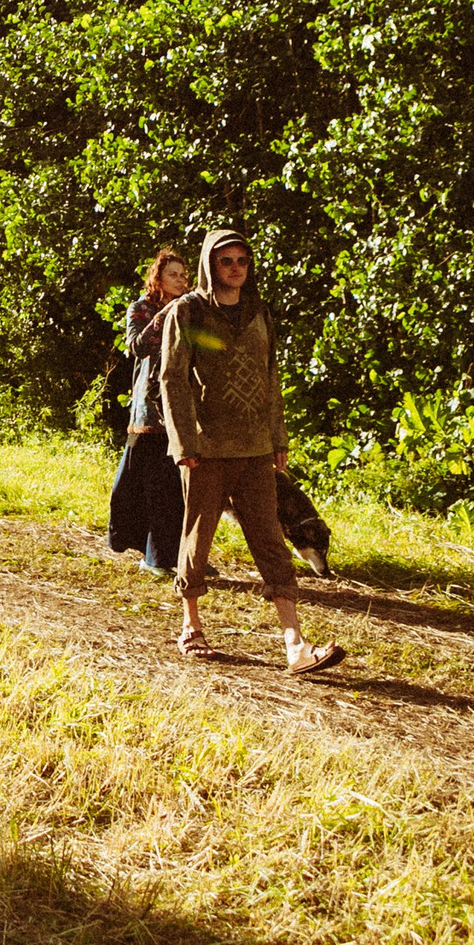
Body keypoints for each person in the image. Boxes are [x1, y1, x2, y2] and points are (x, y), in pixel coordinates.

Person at [160, 229, 345, 676]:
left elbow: (270, 376)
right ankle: (191, 625)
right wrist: (183, 442)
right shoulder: (189, 311)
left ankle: (295, 644)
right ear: (210, 265)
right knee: (198, 537)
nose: (236, 268)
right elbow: (172, 378)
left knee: (270, 540)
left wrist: (278, 438)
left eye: (242, 260)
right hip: (206, 448)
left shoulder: (258, 312)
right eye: (226, 261)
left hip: (255, 448)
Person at [107, 247, 190, 574]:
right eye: (173, 274)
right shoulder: (141, 308)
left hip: (183, 406)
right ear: (158, 277)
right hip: (149, 412)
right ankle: (154, 555)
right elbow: (137, 347)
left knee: (178, 487)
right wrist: (165, 315)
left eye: (183, 275)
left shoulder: (191, 310)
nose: (180, 280)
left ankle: (179, 555)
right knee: (148, 484)